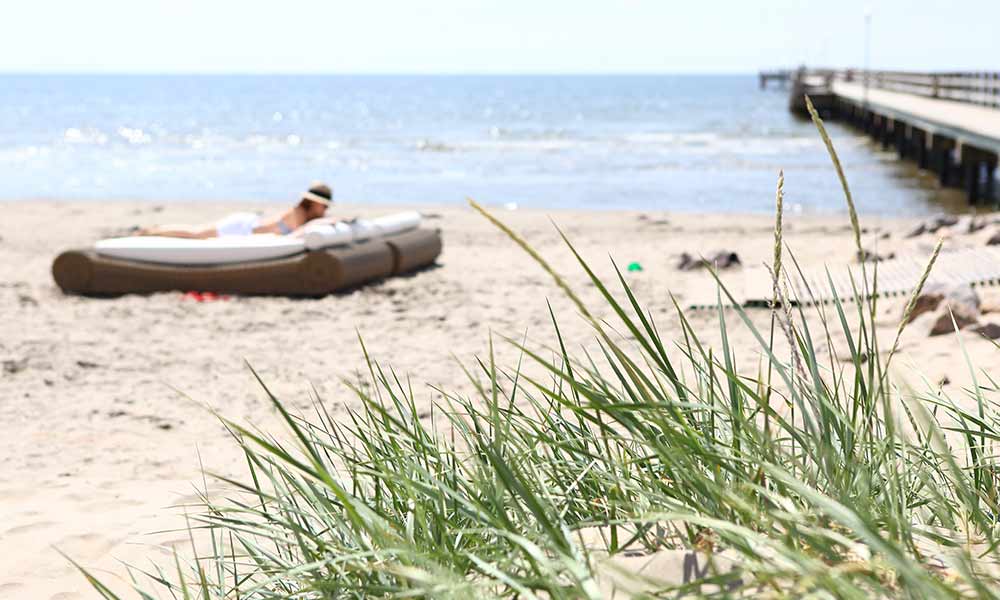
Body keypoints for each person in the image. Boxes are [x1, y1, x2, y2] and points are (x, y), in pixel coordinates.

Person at [139, 182, 333, 238]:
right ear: (313, 203)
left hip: (248, 225)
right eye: (323, 206)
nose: (324, 210)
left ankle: (156, 230)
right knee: (196, 233)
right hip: (241, 228)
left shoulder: (308, 218)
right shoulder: (296, 213)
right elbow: (298, 234)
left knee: (198, 231)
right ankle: (154, 231)